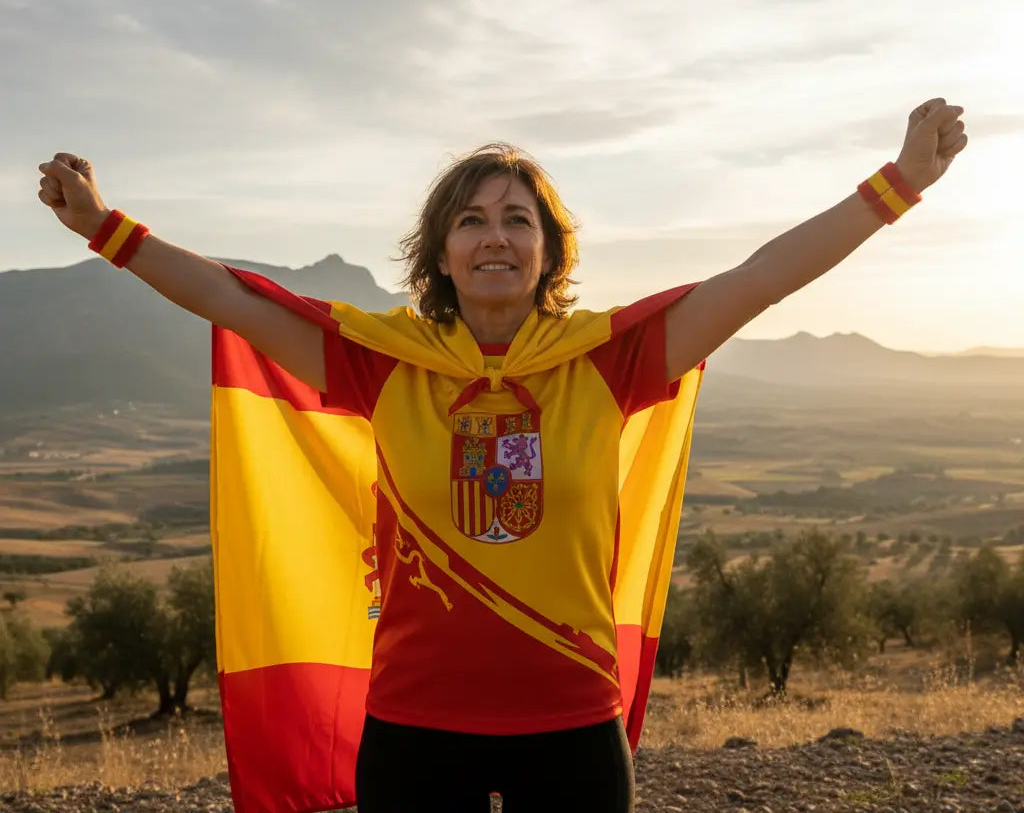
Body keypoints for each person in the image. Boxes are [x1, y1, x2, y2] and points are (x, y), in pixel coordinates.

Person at [36, 97, 967, 813]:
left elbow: (761, 277)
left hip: (572, 729)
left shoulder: (609, 361)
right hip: (411, 730)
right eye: (473, 220)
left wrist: (897, 185)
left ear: (547, 251)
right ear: (442, 254)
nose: (496, 236)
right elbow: (232, 300)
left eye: (519, 219)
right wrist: (105, 228)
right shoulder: (381, 365)